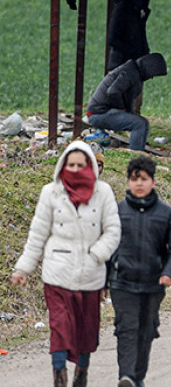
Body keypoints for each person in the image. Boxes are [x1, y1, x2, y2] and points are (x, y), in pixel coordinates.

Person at [11, 141, 120, 387]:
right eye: (71, 165)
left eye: (81, 165)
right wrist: (23, 268)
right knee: (60, 329)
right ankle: (59, 378)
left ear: (91, 166)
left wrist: (96, 255)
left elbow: (113, 231)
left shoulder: (103, 193)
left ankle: (81, 373)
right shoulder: (51, 192)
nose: (75, 169)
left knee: (85, 332)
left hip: (90, 275)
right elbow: (38, 233)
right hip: (57, 273)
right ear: (62, 166)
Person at [108, 155, 171, 387]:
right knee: (126, 328)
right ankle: (127, 376)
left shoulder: (166, 213)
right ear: (128, 182)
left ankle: (137, 377)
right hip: (123, 283)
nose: (139, 184)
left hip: (153, 283)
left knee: (146, 330)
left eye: (144, 179)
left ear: (153, 181)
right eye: (134, 179)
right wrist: (104, 279)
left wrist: (169, 272)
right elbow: (107, 246)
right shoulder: (116, 211)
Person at [87, 53, 168, 151]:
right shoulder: (129, 72)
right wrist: (121, 108)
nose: (151, 78)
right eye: (152, 75)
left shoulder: (134, 72)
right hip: (98, 114)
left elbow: (127, 99)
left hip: (102, 112)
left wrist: (129, 113)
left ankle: (139, 151)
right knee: (139, 124)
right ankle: (135, 154)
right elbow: (113, 92)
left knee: (144, 123)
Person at [107, 0, 152, 71]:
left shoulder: (137, 12)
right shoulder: (122, 10)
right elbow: (112, 39)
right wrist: (132, 52)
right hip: (121, 64)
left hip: (134, 64)